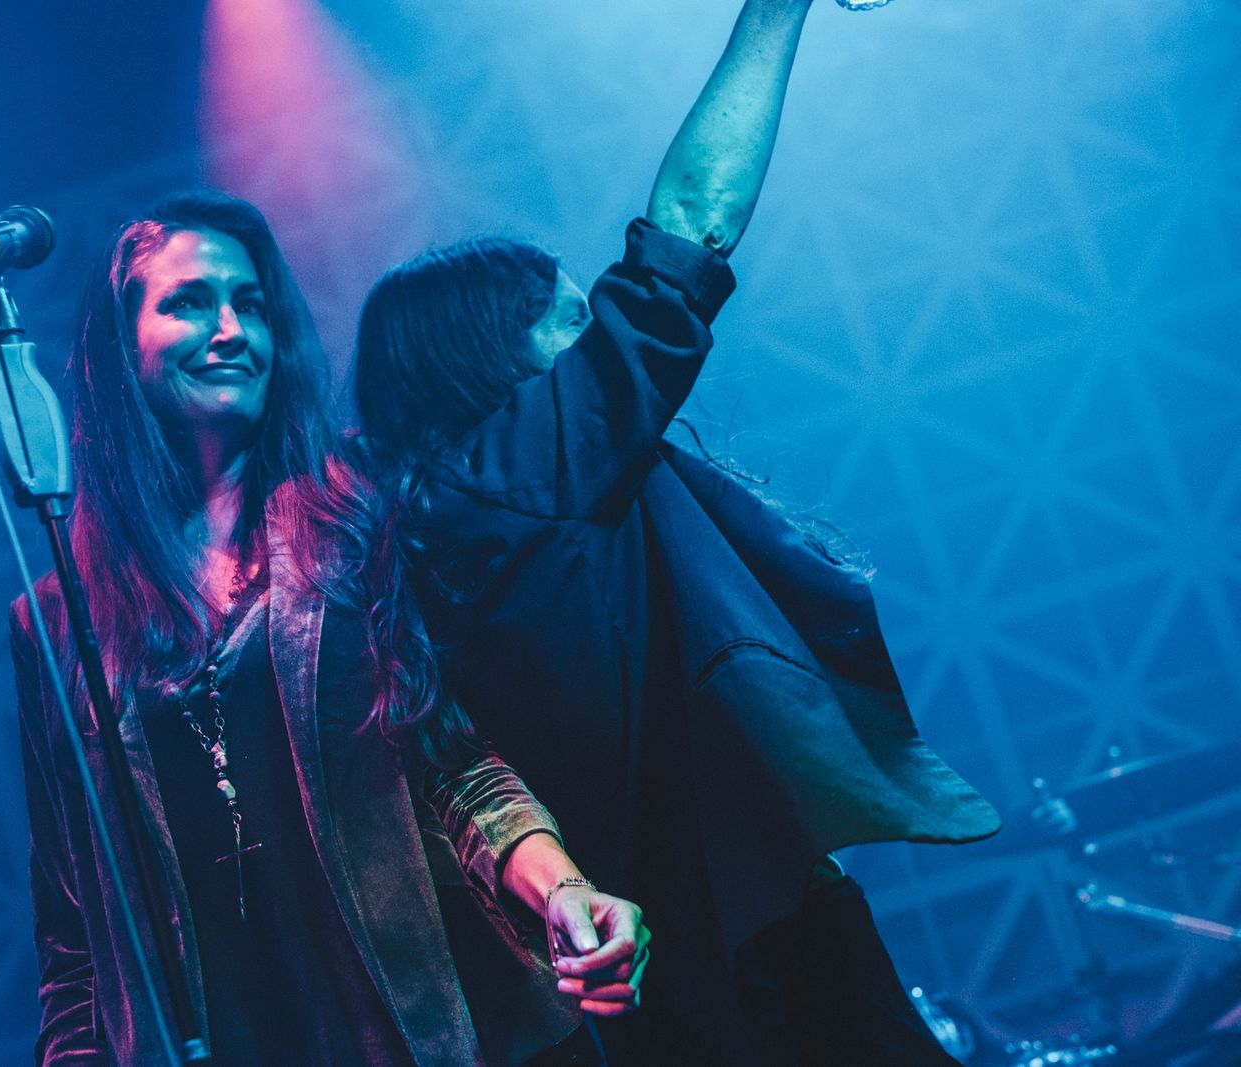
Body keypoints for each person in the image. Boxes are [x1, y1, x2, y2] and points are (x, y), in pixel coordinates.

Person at [352, 1, 999, 1063]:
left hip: (667, 954)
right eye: (568, 319)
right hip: (722, 949)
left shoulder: (436, 539)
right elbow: (689, 225)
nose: (590, 342)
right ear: (488, 359)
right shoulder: (518, 474)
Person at [10, 190, 652, 1066]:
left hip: (437, 1028)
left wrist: (564, 886)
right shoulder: (57, 619)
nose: (230, 329)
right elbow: (74, 936)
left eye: (250, 304)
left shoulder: (353, 512)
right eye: (190, 302)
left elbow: (455, 763)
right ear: (122, 349)